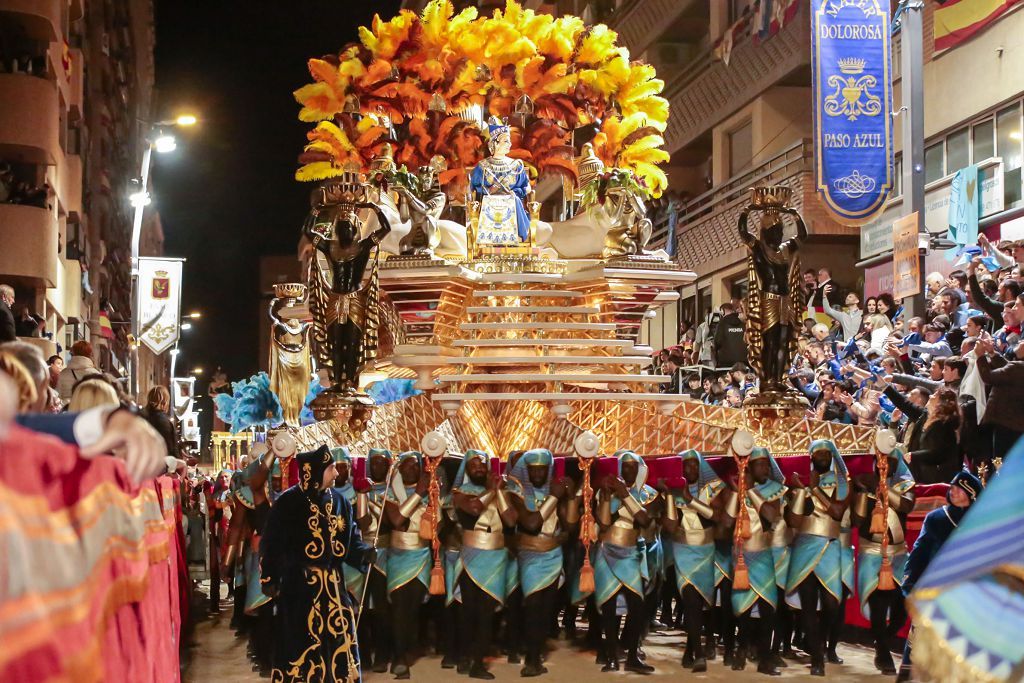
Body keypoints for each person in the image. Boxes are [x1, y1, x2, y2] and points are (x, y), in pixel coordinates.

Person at [260, 445, 371, 683]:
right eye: (330, 468)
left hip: (333, 588)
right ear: (314, 471)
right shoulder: (287, 503)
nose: (335, 473)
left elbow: (350, 541)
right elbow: (271, 543)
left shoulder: (340, 502)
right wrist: (269, 577)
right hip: (299, 589)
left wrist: (364, 553)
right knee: (299, 641)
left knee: (338, 642)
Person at [896, 470, 982, 682]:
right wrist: (910, 582)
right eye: (952, 487)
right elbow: (919, 552)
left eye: (959, 489)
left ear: (971, 495)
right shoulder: (936, 518)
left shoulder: (980, 525)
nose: (952, 491)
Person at [508, 448, 577, 677]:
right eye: (533, 469)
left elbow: (570, 526)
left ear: (549, 470)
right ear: (526, 471)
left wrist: (572, 497)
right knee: (533, 608)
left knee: (546, 612)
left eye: (542, 469)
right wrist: (555, 497)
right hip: (530, 555)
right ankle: (530, 658)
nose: (537, 474)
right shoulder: (517, 492)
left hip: (553, 556)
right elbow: (531, 523)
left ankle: (535, 656)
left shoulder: (554, 490)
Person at [784, 439, 850, 677]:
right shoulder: (801, 482)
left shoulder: (841, 481)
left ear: (832, 455)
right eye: (817, 453)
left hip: (830, 546)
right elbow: (793, 521)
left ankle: (821, 645)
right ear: (810, 457)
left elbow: (837, 511)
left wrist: (813, 489)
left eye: (826, 453)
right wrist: (801, 490)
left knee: (832, 604)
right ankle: (816, 658)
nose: (822, 456)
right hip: (804, 546)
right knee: (809, 606)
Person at [451, 449, 517, 680]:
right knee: (468, 612)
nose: (479, 468)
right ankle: (465, 657)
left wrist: (499, 492)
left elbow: (510, 520)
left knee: (487, 613)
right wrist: (492, 490)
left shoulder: (501, 492)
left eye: (482, 465)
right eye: (474, 465)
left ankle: (478, 662)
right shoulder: (459, 493)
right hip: (472, 557)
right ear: (466, 470)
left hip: (496, 559)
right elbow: (474, 509)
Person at [591, 450, 658, 673]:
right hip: (607, 551)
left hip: (631, 553)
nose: (628, 470)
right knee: (609, 607)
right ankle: (611, 656)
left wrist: (625, 495)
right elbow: (603, 523)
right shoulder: (604, 493)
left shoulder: (647, 494)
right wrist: (609, 496)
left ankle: (632, 655)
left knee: (637, 607)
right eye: (625, 466)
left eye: (633, 467)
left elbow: (644, 520)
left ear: (639, 470)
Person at [851, 444, 915, 675]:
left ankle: (882, 641)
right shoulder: (864, 483)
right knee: (878, 605)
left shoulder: (904, 486)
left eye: (891, 462)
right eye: (882, 461)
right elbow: (857, 522)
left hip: (898, 554)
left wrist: (882, 488)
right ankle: (884, 654)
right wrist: (859, 491)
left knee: (902, 608)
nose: (886, 465)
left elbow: (907, 505)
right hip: (872, 554)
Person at [728, 446, 785, 676]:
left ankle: (765, 657)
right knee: (742, 607)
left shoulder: (774, 490)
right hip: (741, 556)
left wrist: (750, 491)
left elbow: (772, 517)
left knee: (768, 607)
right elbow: (726, 521)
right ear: (749, 467)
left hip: (763, 554)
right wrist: (737, 491)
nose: (765, 468)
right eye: (760, 464)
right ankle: (741, 647)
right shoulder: (736, 488)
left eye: (767, 464)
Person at [383, 451, 431, 679]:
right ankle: (398, 658)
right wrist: (419, 494)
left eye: (416, 466)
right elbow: (397, 520)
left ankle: (404, 648)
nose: (412, 469)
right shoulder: (389, 492)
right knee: (399, 608)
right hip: (399, 557)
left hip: (421, 556)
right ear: (399, 469)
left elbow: (435, 524)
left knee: (413, 609)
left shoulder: (431, 492)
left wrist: (429, 495)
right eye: (407, 465)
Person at [353, 448, 393, 673]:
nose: (378, 467)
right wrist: (362, 495)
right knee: (361, 608)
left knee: (381, 608)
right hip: (363, 550)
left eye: (382, 463)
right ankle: (363, 655)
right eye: (374, 463)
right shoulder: (361, 489)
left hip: (385, 552)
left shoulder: (392, 489)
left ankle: (383, 654)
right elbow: (362, 522)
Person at [974, 337, 1024, 459]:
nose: (1020, 342)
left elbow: (988, 377)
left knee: (999, 459)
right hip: (1016, 424)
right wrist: (991, 353)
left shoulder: (1017, 368)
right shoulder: (1017, 368)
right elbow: (1007, 369)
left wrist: (980, 356)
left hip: (1005, 423)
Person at [56, 340, 101, 405]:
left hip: (68, 410)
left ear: (73, 353)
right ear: (90, 354)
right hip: (89, 411)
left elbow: (58, 396)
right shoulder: (96, 375)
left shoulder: (63, 374)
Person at [140, 385, 178, 458]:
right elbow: (171, 449)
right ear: (165, 402)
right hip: (159, 464)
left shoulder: (139, 416)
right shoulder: (164, 421)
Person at [713, 303, 747, 368]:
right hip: (744, 362)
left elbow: (717, 342)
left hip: (726, 363)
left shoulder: (722, 323)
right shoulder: (743, 322)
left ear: (723, 311)